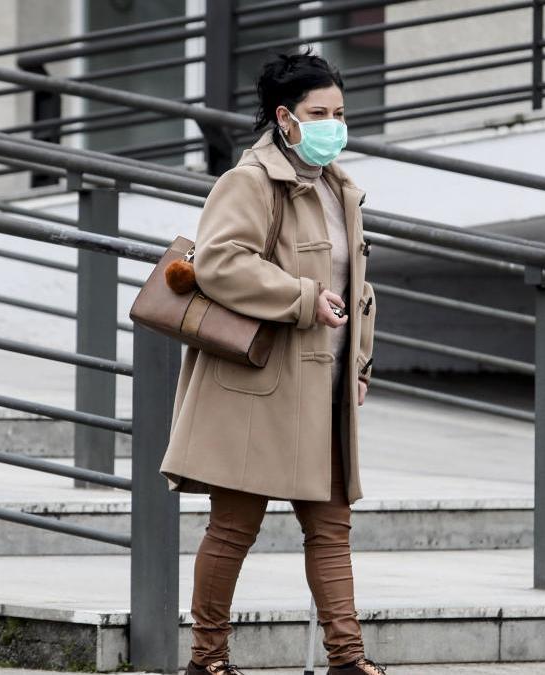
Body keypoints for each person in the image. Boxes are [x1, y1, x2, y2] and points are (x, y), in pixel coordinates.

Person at [159, 48, 383, 675]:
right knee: (233, 529)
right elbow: (220, 261)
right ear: (285, 118)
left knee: (332, 528)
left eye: (339, 111)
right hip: (261, 385)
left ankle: (348, 659)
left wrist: (359, 364)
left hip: (328, 384)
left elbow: (359, 287)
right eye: (320, 112)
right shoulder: (249, 182)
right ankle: (208, 660)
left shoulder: (341, 188)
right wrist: (302, 298)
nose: (334, 124)